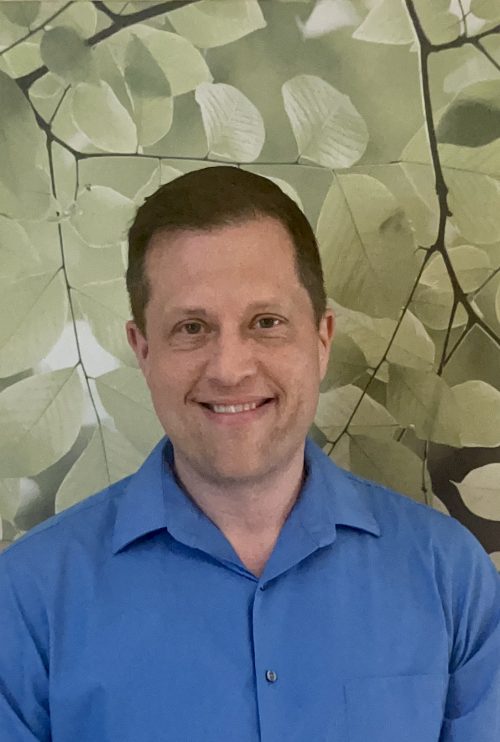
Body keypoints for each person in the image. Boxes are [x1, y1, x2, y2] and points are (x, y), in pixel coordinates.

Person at [0, 166, 498, 741]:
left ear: (321, 338)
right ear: (142, 349)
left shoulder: (449, 579)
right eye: (191, 327)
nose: (230, 368)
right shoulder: (26, 601)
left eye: (266, 322)